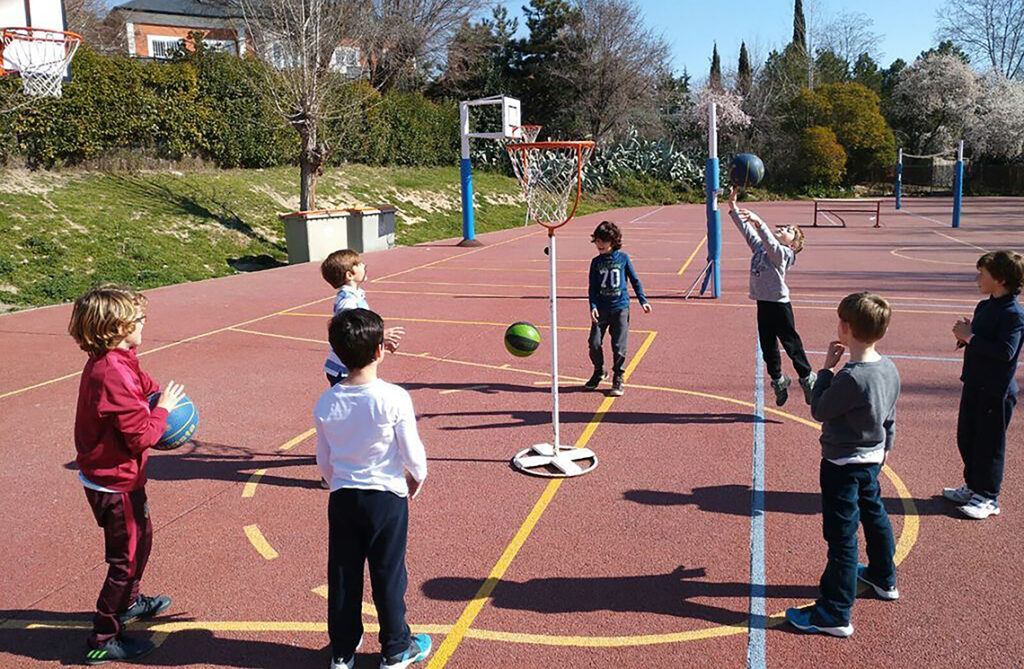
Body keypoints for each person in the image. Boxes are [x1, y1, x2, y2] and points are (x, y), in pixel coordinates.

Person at [68, 284, 184, 665]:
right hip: (114, 482)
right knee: (126, 560)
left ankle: (129, 602)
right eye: (139, 319)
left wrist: (156, 393)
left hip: (118, 477)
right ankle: (103, 637)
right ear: (117, 328)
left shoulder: (119, 359)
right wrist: (163, 411)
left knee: (141, 542)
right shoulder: (111, 373)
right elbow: (139, 437)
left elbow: (142, 381)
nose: (144, 323)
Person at [315, 308, 432, 669]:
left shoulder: (326, 401)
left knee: (343, 573)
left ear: (338, 353)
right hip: (386, 500)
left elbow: (323, 460)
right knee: (388, 573)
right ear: (380, 350)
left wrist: (337, 483)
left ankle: (342, 651)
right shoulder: (394, 397)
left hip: (343, 498)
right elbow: (412, 451)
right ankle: (395, 648)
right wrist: (417, 476)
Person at [785, 292, 900, 638]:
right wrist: (886, 447)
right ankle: (883, 576)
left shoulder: (852, 377)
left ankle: (834, 612)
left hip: (842, 464)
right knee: (875, 515)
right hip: (871, 458)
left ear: (846, 328)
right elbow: (890, 416)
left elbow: (820, 409)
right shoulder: (888, 368)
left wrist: (825, 371)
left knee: (842, 537)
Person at [944, 250, 1024, 519]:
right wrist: (964, 337)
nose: (978, 279)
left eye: (982, 274)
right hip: (974, 383)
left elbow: (1005, 352)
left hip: (995, 390)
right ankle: (973, 486)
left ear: (1000, 280)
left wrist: (971, 338)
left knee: (989, 445)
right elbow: (979, 340)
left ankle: (989, 497)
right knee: (967, 437)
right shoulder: (984, 306)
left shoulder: (1014, 314)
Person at [728, 188, 815, 406]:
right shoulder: (761, 249)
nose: (783, 229)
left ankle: (807, 378)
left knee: (790, 343)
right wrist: (733, 207)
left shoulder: (785, 254)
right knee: (767, 346)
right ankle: (778, 380)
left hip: (779, 305)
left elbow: (771, 244)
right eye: (784, 227)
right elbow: (747, 231)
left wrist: (760, 222)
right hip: (763, 303)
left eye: (789, 230)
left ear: (793, 244)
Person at [584, 220, 651, 397]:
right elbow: (592, 287)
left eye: (604, 241)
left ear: (613, 241)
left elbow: (635, 280)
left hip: (620, 308)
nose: (599, 244)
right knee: (594, 343)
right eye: (597, 241)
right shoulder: (595, 262)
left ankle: (618, 377)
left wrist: (642, 300)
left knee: (619, 346)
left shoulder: (623, 259)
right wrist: (592, 306)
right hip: (601, 309)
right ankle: (599, 371)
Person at [320, 249, 404, 386]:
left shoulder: (355, 296)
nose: (364, 266)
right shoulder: (348, 302)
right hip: (345, 369)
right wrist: (379, 335)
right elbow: (349, 333)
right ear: (349, 275)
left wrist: (379, 343)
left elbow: (358, 333)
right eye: (359, 264)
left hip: (351, 365)